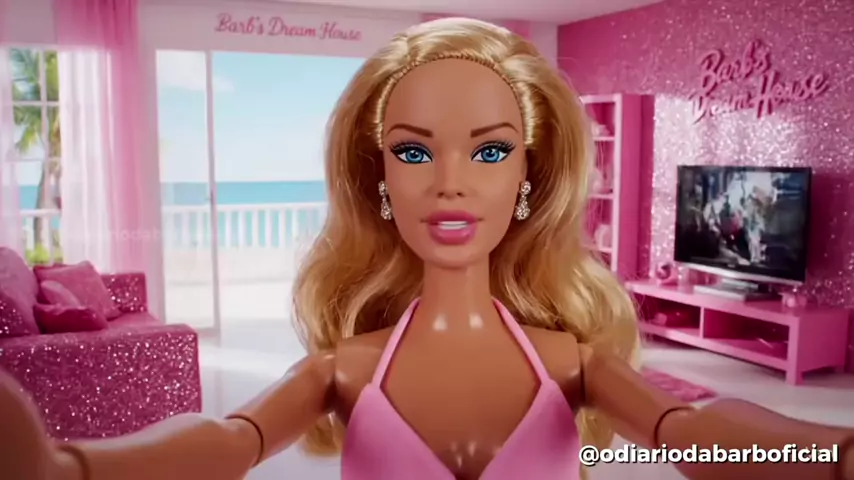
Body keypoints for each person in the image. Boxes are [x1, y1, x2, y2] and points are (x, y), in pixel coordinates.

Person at [0, 17, 852, 480]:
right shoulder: (346, 369)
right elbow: (231, 443)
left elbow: (689, 431)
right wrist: (71, 468)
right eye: (413, 152)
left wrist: (825, 455)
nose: (449, 183)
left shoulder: (570, 361)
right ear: (378, 179)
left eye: (489, 152)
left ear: (528, 177)